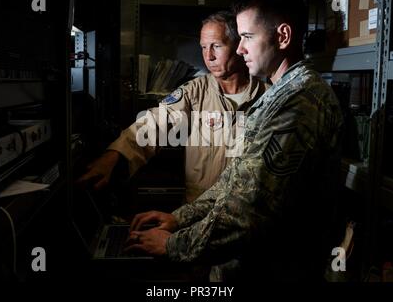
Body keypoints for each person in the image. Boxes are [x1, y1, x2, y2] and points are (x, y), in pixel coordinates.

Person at [126, 0, 344, 282]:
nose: (240, 49)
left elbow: (248, 211)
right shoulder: (280, 95)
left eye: (247, 37)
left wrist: (173, 244)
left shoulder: (300, 101)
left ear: (282, 36)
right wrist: (181, 218)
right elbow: (236, 182)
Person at [76, 11, 266, 203]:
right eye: (203, 47)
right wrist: (115, 155)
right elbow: (154, 123)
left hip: (245, 212)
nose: (208, 56)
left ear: (238, 46)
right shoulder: (195, 92)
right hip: (197, 210)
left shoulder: (267, 95)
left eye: (216, 46)